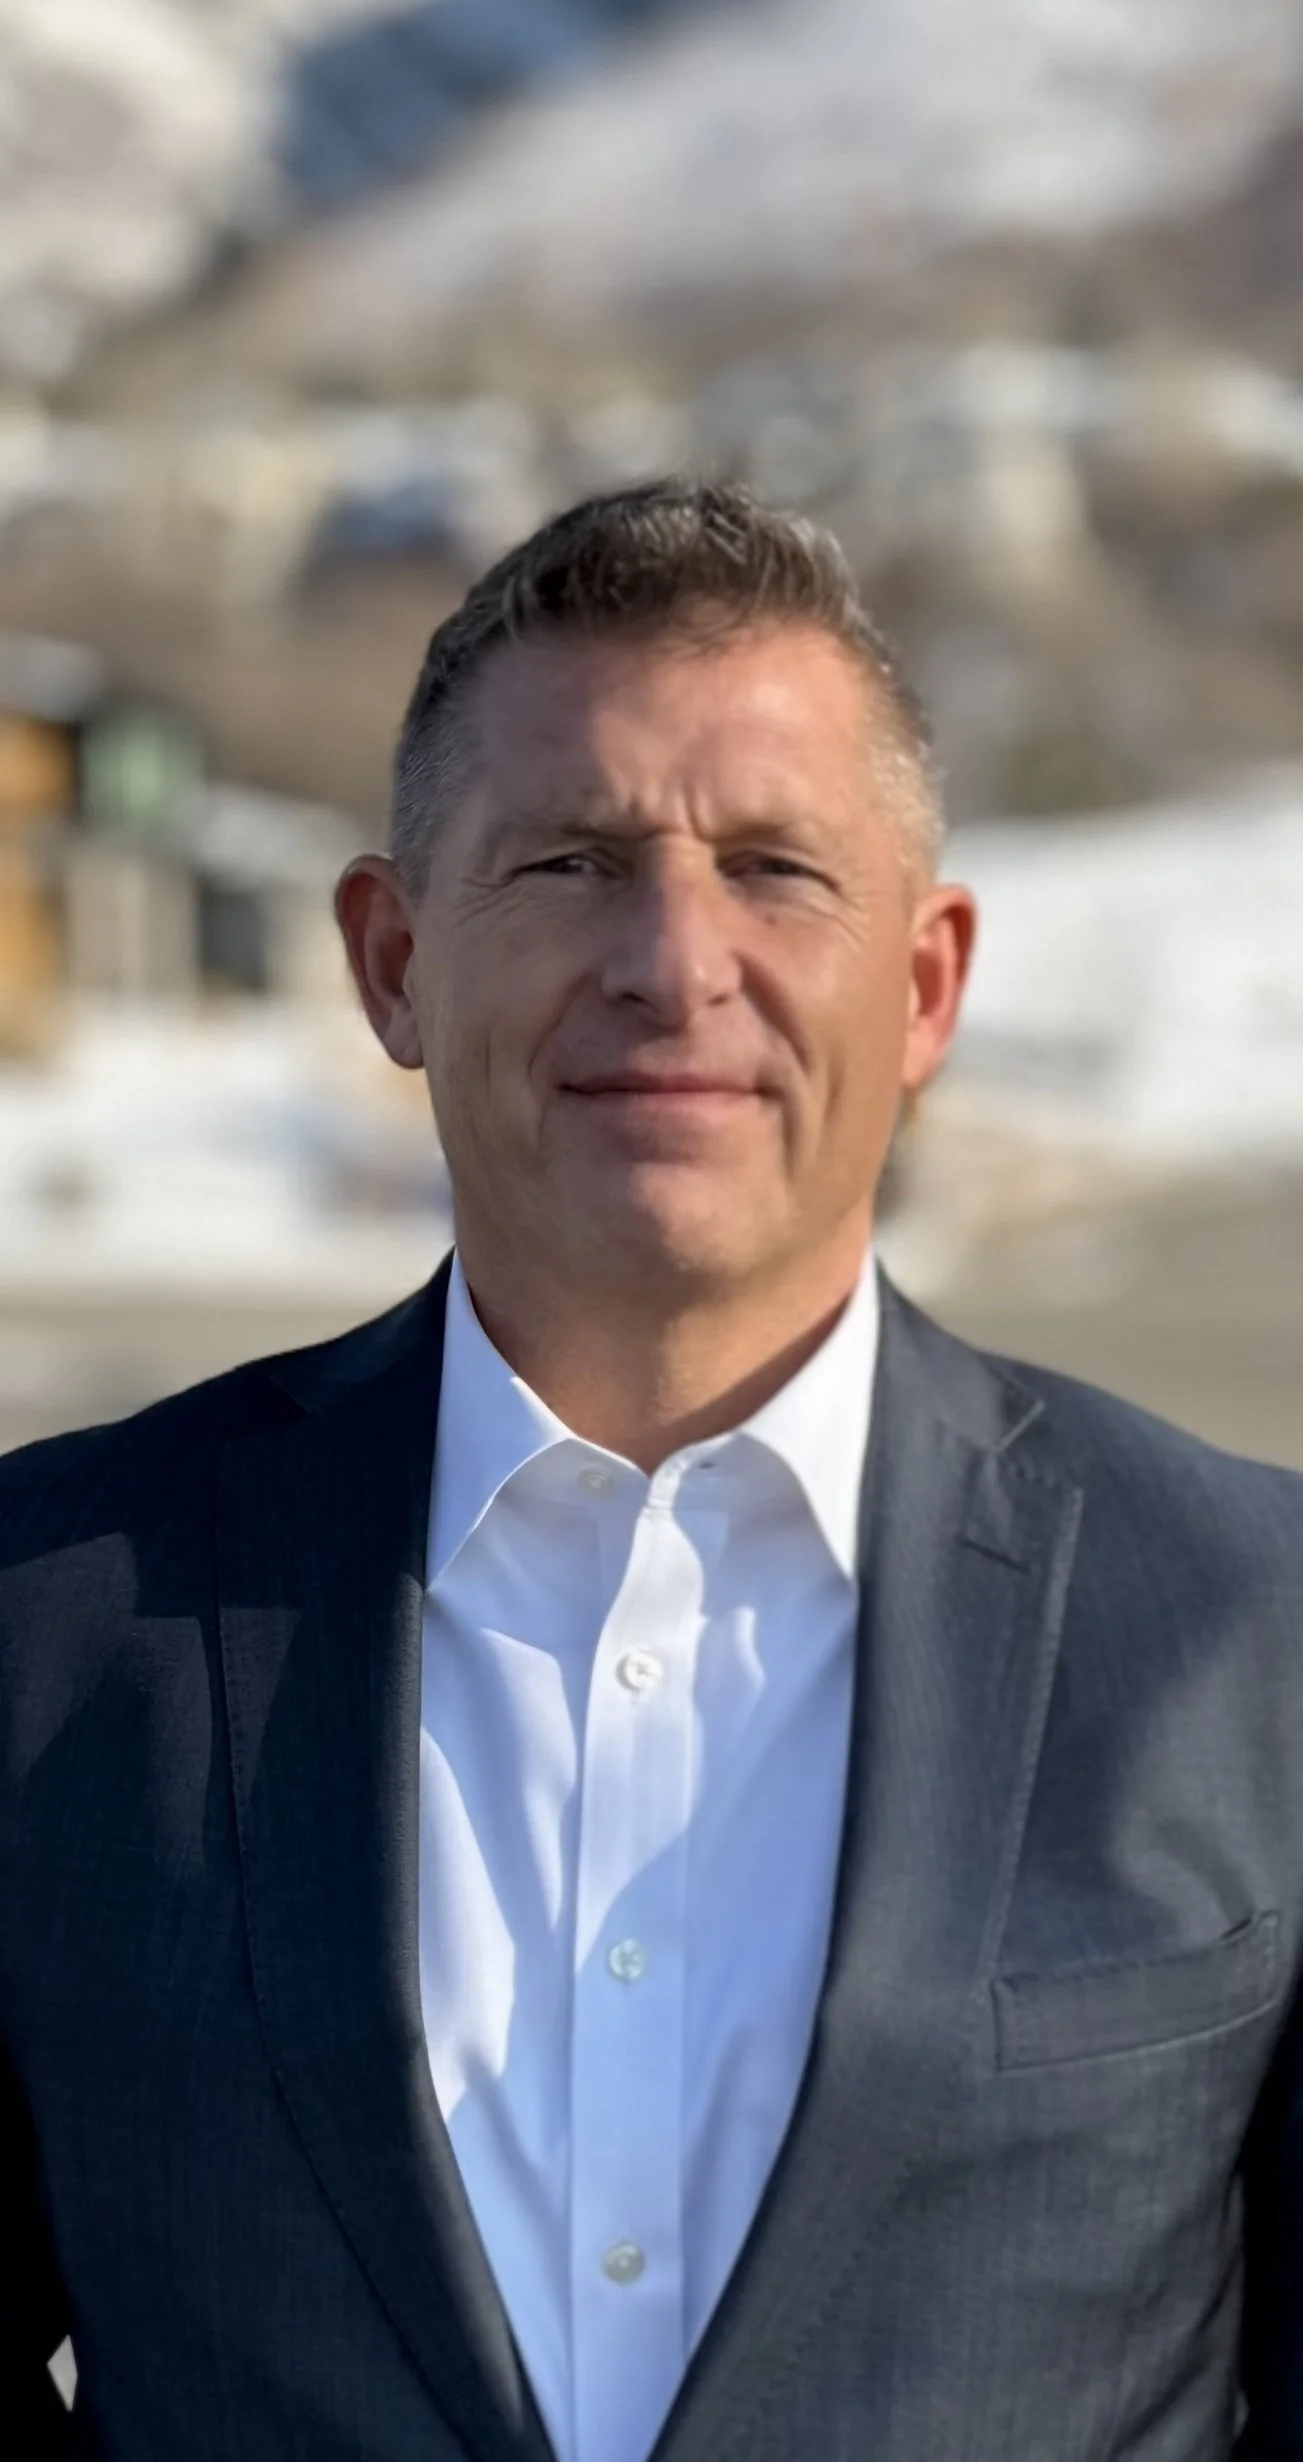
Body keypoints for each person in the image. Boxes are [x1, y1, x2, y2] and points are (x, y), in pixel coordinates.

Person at [1, 479, 1300, 2462]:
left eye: (774, 867)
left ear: (926, 984)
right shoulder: (47, 1621)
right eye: (571, 863)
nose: (674, 961)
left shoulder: (1257, 1631)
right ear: (392, 960)